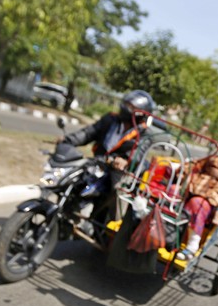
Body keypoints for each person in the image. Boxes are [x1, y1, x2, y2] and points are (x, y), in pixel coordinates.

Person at [60, 90, 156, 220]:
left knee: (119, 191)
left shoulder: (145, 134)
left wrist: (125, 160)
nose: (124, 108)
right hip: (98, 162)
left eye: (130, 106)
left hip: (121, 171)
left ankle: (114, 226)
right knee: (71, 176)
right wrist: (68, 140)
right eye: (125, 104)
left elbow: (138, 153)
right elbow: (88, 132)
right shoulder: (110, 120)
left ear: (140, 112)